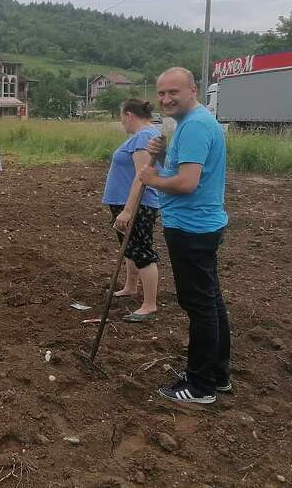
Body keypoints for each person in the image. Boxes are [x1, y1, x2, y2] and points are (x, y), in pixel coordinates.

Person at [138, 67, 230, 405]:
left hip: (191, 228)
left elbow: (186, 183)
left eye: (173, 92)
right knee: (211, 302)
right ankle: (218, 375)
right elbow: (186, 171)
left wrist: (152, 179)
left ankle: (201, 385)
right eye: (161, 93)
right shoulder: (196, 123)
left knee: (200, 305)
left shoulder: (193, 126)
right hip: (201, 224)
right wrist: (162, 157)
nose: (166, 99)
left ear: (193, 89)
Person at [102, 99, 162, 323]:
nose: (122, 123)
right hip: (124, 202)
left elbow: (142, 176)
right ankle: (130, 287)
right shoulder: (144, 136)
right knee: (129, 248)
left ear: (129, 115)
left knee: (142, 252)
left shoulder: (143, 137)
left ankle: (149, 305)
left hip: (138, 204)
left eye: (121, 118)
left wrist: (128, 211)